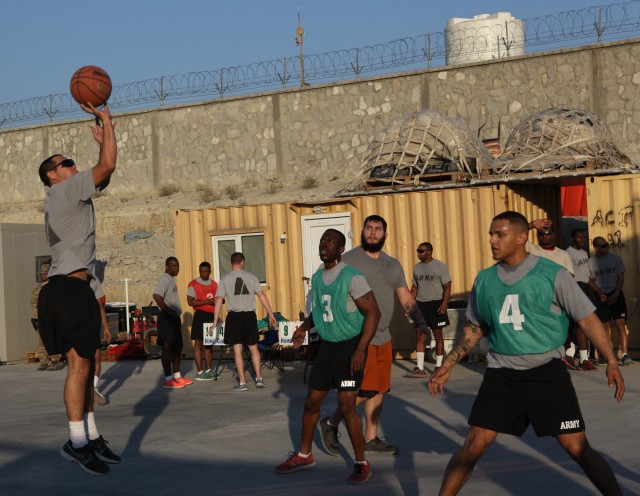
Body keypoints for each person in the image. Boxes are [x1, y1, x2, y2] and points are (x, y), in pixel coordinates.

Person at [429, 211, 625, 496]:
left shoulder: (552, 274)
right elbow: (474, 328)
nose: (492, 241)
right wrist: (447, 364)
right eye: (491, 234)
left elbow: (587, 319)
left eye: (500, 234)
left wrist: (611, 360)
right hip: (501, 375)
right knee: (473, 446)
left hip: (547, 374)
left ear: (522, 238)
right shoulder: (484, 280)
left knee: (577, 448)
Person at [36, 103, 121, 475]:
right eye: (67, 162)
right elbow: (107, 167)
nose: (73, 165)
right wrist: (105, 124)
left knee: (86, 366)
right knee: (77, 366)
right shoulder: (64, 191)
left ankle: (89, 434)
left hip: (78, 287)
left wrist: (104, 140)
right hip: (65, 289)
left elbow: (103, 173)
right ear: (53, 175)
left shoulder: (70, 193)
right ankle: (75, 443)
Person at [275, 229, 380, 484]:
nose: (324, 244)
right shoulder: (317, 278)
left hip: (349, 348)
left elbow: (374, 313)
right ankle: (304, 454)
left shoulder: (353, 277)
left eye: (330, 241)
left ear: (341, 249)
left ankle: (361, 463)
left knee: (346, 407)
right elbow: (320, 311)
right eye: (322, 241)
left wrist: (360, 349)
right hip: (327, 348)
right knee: (311, 403)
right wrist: (302, 328)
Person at [320, 215, 428, 456]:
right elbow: (326, 286)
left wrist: (420, 322)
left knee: (379, 390)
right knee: (365, 390)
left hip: (383, 336)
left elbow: (405, 298)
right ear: (362, 231)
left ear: (385, 235)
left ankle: (371, 437)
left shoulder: (392, 265)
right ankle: (330, 423)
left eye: (378, 229)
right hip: (359, 337)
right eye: (369, 228)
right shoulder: (347, 260)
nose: (372, 233)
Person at [211, 252, 276, 391]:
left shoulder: (224, 278)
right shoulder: (251, 277)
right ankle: (258, 379)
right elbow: (262, 295)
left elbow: (218, 300)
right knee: (253, 347)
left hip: (234, 317)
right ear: (242, 262)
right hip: (249, 316)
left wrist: (215, 321)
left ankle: (242, 382)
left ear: (231, 263)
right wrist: (270, 313)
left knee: (237, 349)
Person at [527, 221, 577, 370]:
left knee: (561, 330)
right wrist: (531, 225)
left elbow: (570, 277)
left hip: (557, 300)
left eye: (547, 233)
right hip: (536, 300)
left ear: (554, 235)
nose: (544, 236)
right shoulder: (532, 250)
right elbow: (516, 234)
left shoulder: (563, 254)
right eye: (541, 233)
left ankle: (564, 355)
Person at [407, 242, 451, 376]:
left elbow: (447, 287)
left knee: (438, 335)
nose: (419, 253)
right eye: (418, 251)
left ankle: (438, 367)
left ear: (430, 252)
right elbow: (414, 289)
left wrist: (444, 304)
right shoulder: (417, 268)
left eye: (421, 251)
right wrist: (410, 306)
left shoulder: (440, 267)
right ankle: (419, 368)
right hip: (420, 305)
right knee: (420, 335)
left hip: (436, 304)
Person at [589, 236, 633, 366]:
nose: (606, 247)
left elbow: (621, 276)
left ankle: (625, 355)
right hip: (602, 297)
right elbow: (589, 280)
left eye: (607, 245)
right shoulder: (591, 262)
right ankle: (607, 355)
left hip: (616, 295)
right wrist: (599, 293)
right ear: (596, 248)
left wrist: (616, 292)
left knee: (620, 325)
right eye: (603, 246)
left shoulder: (615, 259)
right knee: (604, 327)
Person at [153, 256, 193, 389]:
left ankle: (177, 376)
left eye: (178, 266)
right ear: (167, 266)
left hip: (174, 318)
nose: (177, 268)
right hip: (166, 318)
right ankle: (168, 379)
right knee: (167, 347)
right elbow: (157, 296)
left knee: (177, 346)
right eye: (174, 266)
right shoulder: (164, 278)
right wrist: (167, 310)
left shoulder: (171, 280)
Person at [566, 228, 598, 371]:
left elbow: (587, 276)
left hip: (586, 288)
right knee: (579, 324)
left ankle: (580, 357)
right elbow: (569, 276)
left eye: (584, 237)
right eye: (579, 237)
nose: (582, 240)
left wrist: (599, 291)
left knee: (583, 325)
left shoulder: (584, 253)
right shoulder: (568, 253)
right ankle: (574, 355)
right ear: (572, 238)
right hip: (576, 288)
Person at [30, 261, 64, 371]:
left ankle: (55, 361)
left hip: (51, 318)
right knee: (41, 340)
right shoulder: (38, 287)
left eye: (45, 273)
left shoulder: (54, 287)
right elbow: (32, 301)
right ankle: (43, 362)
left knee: (52, 338)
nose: (43, 275)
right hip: (39, 317)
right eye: (42, 274)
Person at [187, 261, 218, 381]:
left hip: (211, 315)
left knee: (209, 344)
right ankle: (200, 371)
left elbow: (220, 299)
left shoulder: (215, 285)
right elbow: (190, 302)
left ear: (210, 271)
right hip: (200, 315)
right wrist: (207, 302)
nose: (203, 273)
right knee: (199, 343)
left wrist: (220, 301)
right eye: (201, 271)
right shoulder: (193, 284)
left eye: (205, 271)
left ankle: (209, 370)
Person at [92, 279, 111, 405]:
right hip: (82, 327)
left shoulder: (94, 281)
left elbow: (100, 306)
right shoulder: (93, 281)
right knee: (92, 359)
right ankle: (89, 388)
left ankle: (92, 387)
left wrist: (106, 327)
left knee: (95, 358)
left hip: (90, 327)